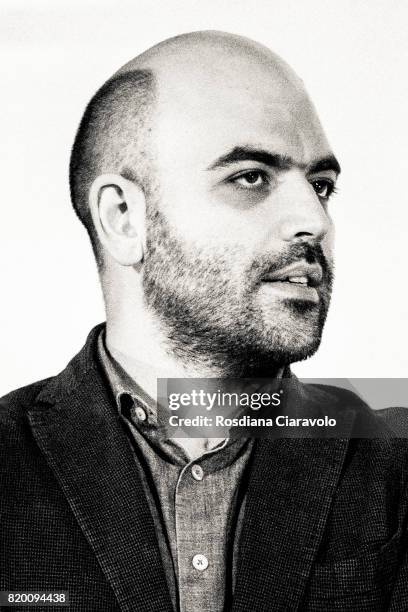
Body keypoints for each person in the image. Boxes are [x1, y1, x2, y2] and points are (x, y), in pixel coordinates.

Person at [1, 31, 407, 612]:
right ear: (123, 218)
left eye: (321, 187)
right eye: (250, 177)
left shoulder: (393, 459)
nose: (313, 218)